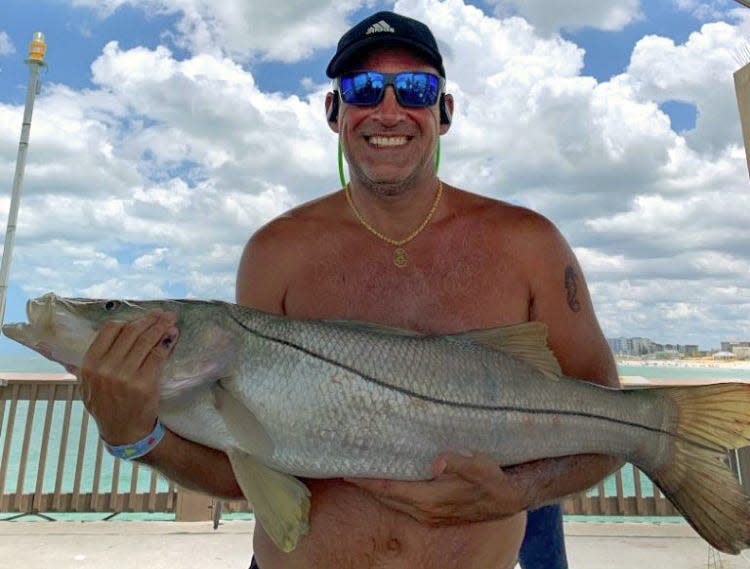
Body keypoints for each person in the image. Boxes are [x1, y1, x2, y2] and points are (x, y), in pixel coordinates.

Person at [77, 10, 622, 569]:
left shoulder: (529, 244)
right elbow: (247, 465)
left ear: (445, 111)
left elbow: (618, 421)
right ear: (335, 113)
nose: (389, 110)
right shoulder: (275, 253)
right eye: (363, 89)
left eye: (414, 88)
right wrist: (137, 436)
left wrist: (518, 494)